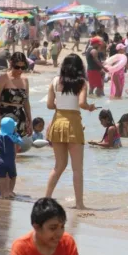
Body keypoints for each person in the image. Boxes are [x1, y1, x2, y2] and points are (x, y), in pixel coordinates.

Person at [45, 54, 97, 210]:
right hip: (73, 125)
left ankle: (46, 198)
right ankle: (79, 203)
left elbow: (49, 105)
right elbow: (81, 103)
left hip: (57, 122)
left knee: (58, 166)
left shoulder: (54, 82)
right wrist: (90, 107)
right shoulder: (82, 83)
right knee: (77, 168)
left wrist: (60, 105)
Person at [0, 52, 32, 137]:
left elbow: (26, 102)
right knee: (5, 145)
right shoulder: (4, 78)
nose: (20, 70)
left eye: (23, 67)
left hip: (20, 116)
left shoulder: (25, 80)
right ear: (11, 64)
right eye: (17, 67)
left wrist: (30, 120)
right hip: (5, 116)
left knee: (17, 147)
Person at [0, 117, 22, 199]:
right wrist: (17, 135)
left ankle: (2, 194)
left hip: (1, 162)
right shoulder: (12, 137)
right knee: (13, 177)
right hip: (10, 161)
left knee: (2, 178)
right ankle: (9, 191)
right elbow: (20, 141)